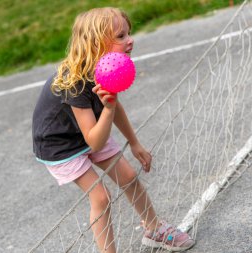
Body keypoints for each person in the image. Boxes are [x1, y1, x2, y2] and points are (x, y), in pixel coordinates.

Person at [32, 7, 195, 253]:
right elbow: (97, 138)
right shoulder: (75, 82)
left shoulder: (109, 67)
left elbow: (113, 108)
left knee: (128, 177)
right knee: (100, 198)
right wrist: (107, 109)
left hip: (89, 130)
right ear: (97, 42)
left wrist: (135, 142)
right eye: (121, 36)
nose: (130, 40)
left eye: (128, 33)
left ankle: (154, 229)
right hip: (60, 145)